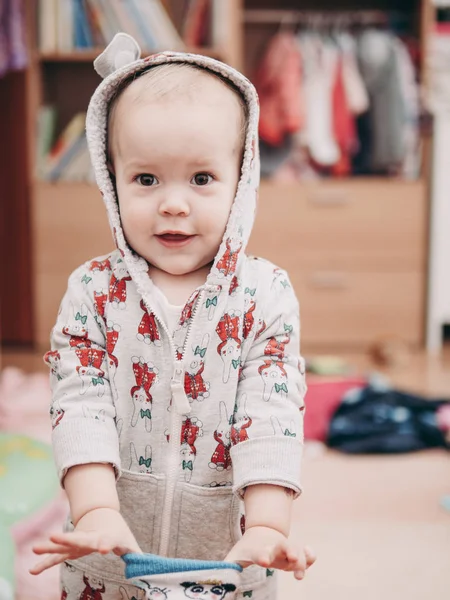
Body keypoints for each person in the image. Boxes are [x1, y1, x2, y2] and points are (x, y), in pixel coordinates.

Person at [31, 34, 315, 599]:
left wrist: (266, 525)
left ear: (243, 180)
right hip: (110, 552)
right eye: (146, 179)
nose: (174, 203)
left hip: (228, 561)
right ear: (112, 181)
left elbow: (271, 410)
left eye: (202, 179)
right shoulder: (92, 290)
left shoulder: (265, 293)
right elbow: (80, 401)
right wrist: (94, 511)